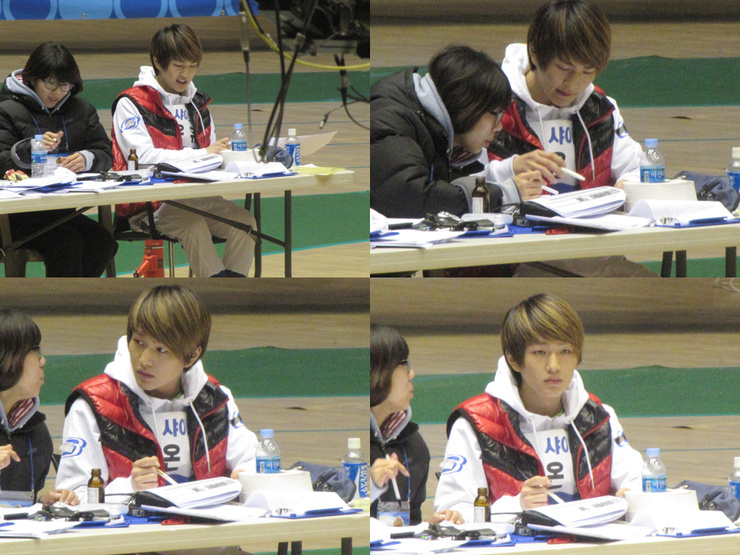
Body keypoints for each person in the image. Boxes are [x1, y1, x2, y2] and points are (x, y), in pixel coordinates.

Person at [434, 293, 643, 522]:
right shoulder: (476, 424)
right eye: (540, 352)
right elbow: (452, 512)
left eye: (565, 351)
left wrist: (634, 495)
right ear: (513, 359)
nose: (554, 366)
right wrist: (516, 505)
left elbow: (639, 482)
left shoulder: (599, 417)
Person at [55, 284, 258, 502]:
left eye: (161, 350)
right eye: (138, 342)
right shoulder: (92, 405)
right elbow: (73, 497)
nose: (144, 360)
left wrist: (247, 476)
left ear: (191, 356)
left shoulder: (216, 400)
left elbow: (252, 462)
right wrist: (129, 487)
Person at [111, 24, 257, 278]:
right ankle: (216, 291)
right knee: (194, 225)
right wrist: (205, 153)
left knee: (246, 224)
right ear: (158, 62)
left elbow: (212, 155)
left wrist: (231, 157)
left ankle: (232, 288)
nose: (186, 74)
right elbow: (143, 158)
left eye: (192, 66)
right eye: (179, 66)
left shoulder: (198, 103)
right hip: (150, 204)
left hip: (197, 196)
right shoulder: (131, 103)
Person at [370, 44, 545, 219]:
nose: (499, 127)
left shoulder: (437, 129)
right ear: (468, 104)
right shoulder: (391, 118)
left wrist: (509, 169)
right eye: (496, 115)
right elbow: (411, 198)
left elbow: (449, 188)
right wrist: (503, 194)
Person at [485, 0, 642, 193]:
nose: (573, 84)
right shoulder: (492, 107)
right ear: (534, 53)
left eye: (587, 71)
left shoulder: (602, 110)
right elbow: (466, 183)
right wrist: (510, 170)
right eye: (564, 68)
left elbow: (635, 169)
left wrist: (629, 184)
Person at [0, 42, 117, 277]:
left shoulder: (81, 109)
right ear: (33, 78)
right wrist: (33, 148)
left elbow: (105, 152)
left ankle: (78, 296)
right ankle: (63, 299)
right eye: (51, 83)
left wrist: (86, 159)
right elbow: (2, 161)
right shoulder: (5, 109)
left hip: (60, 211)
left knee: (103, 241)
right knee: (68, 243)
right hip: (15, 216)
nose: (57, 92)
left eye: (65, 85)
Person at [371, 324, 462, 526]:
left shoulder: (413, 445)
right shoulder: (355, 448)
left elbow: (409, 524)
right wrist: (371, 485)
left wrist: (429, 527)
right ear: (377, 372)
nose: (411, 374)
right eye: (404, 364)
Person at [0, 309, 78, 506]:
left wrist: (44, 504)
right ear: (6, 357)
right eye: (34, 351)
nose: (42, 361)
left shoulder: (35, 428)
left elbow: (16, 503)